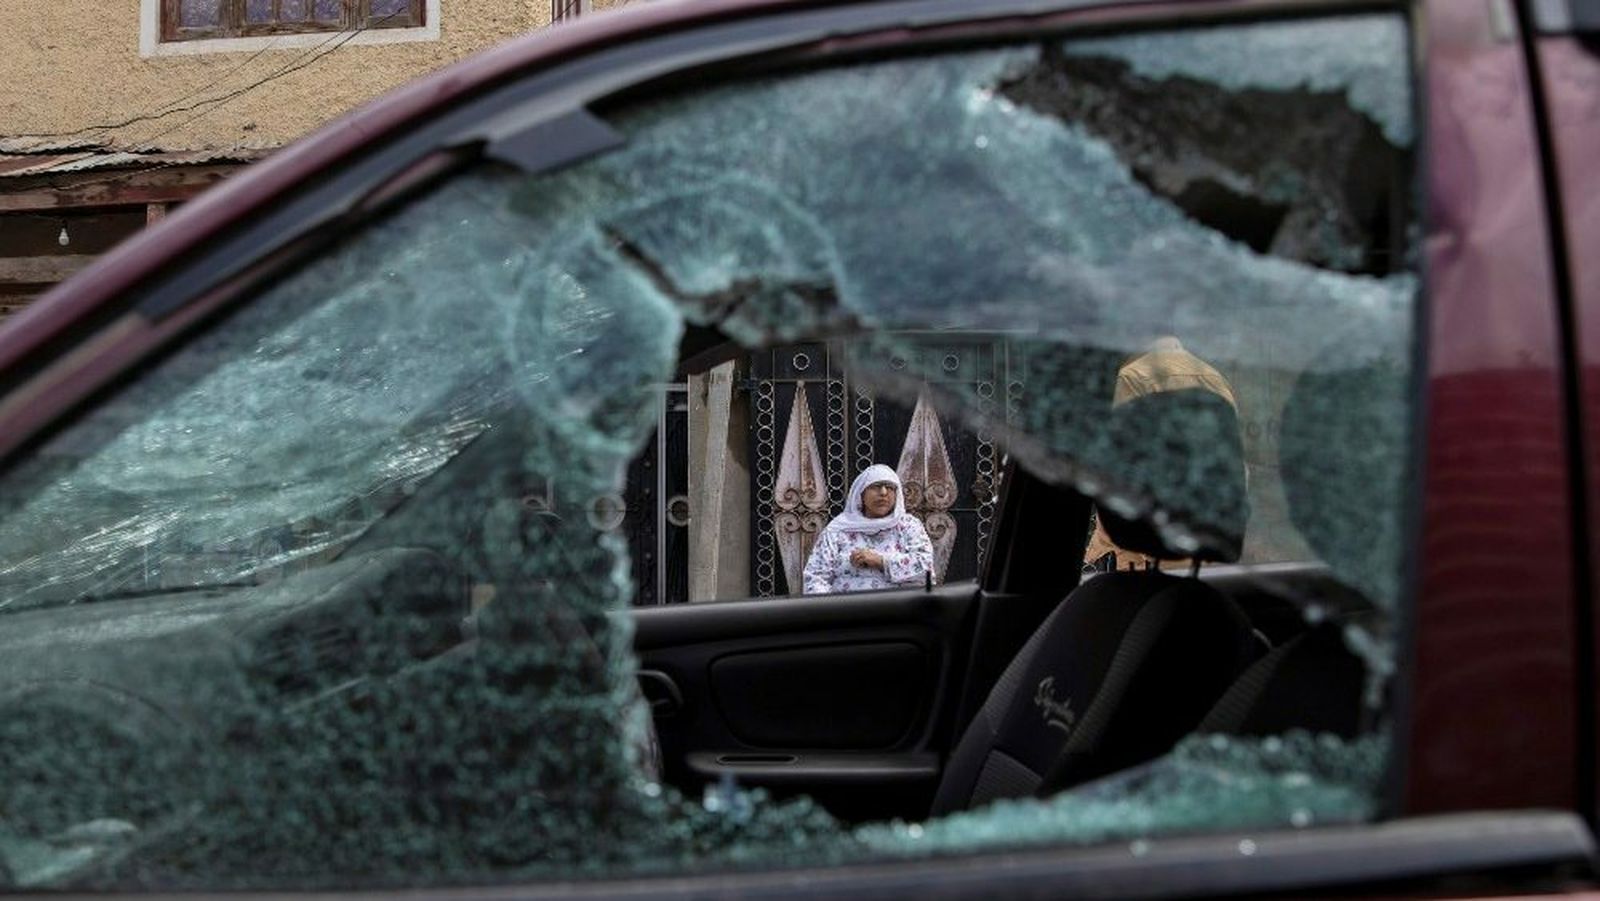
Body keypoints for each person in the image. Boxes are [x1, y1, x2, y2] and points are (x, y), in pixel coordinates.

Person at [802, 464, 935, 595]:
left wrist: (881, 561)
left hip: (899, 607)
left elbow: (926, 567)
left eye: (890, 487)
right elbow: (815, 577)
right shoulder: (838, 529)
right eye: (876, 486)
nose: (883, 492)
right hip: (845, 608)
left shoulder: (908, 526)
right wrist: (831, 607)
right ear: (861, 494)